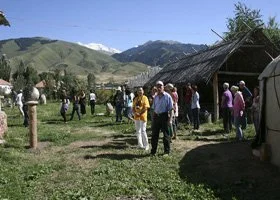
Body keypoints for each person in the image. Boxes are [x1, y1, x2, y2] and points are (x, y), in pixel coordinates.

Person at [150, 81, 173, 156]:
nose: (159, 88)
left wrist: (170, 120)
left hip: (164, 116)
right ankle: (153, 151)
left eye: (160, 86)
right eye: (158, 86)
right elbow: (154, 108)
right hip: (156, 116)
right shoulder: (156, 97)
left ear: (163, 87)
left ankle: (166, 151)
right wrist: (153, 119)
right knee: (154, 135)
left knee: (166, 135)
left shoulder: (167, 96)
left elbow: (171, 109)